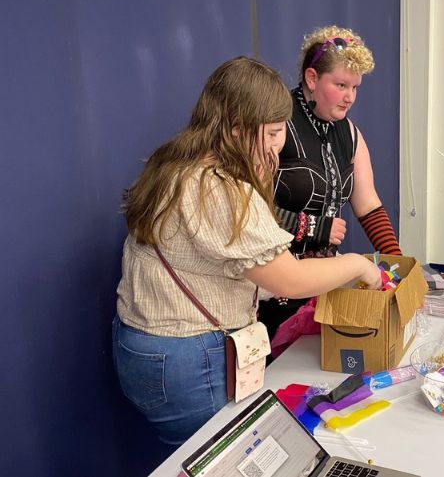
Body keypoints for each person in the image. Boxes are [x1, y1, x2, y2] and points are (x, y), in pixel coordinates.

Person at [112, 57, 382, 445]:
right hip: (187, 355)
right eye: (272, 133)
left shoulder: (175, 163)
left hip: (144, 346)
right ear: (236, 130)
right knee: (219, 457)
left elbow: (216, 262)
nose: (279, 144)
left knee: (187, 457)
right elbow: (289, 278)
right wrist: (359, 266)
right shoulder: (220, 187)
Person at [259, 25, 402, 342]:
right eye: (340, 85)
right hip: (272, 286)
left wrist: (398, 265)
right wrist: (312, 227)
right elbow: (246, 209)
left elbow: (368, 205)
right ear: (312, 79)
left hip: (321, 285)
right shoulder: (276, 123)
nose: (350, 97)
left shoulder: (349, 133)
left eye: (355, 87)